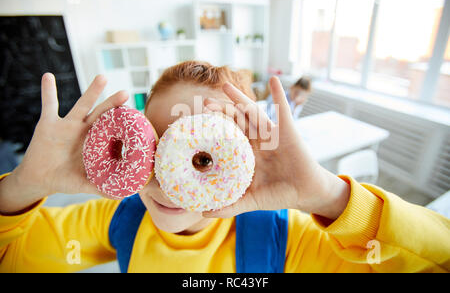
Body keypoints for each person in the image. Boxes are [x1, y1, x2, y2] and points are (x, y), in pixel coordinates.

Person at [0, 61, 449, 273]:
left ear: (243, 162)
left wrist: (329, 197)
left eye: (198, 157)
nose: (169, 183)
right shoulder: (119, 220)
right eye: (152, 149)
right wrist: (22, 186)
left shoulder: (282, 240)